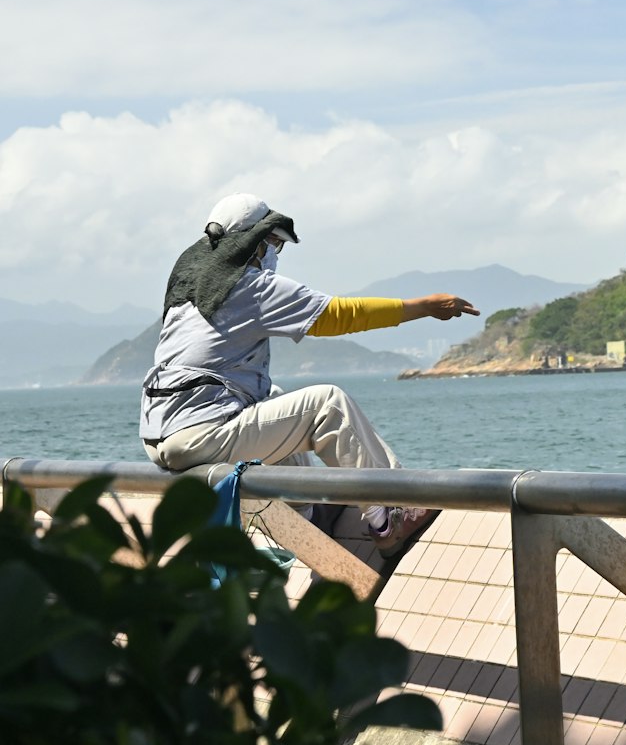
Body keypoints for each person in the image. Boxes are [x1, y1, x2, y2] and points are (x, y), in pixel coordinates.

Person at [140, 193, 478, 555]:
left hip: (162, 438)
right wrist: (425, 306)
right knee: (326, 404)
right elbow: (339, 315)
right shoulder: (247, 286)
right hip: (201, 434)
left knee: (273, 397)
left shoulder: (189, 288)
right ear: (253, 244)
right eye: (271, 243)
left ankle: (307, 513)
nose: (273, 253)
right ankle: (389, 516)